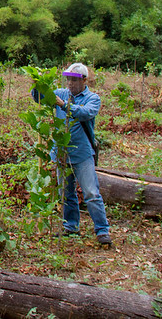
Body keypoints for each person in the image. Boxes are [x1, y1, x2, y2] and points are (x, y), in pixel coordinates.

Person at [31, 62, 112, 246]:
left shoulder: (92, 98)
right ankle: (71, 226)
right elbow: (40, 98)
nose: (70, 83)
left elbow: (85, 113)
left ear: (84, 80)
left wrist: (64, 106)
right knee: (66, 192)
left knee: (91, 192)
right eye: (68, 79)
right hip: (62, 151)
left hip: (82, 153)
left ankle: (102, 230)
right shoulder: (61, 93)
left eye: (74, 80)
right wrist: (37, 85)